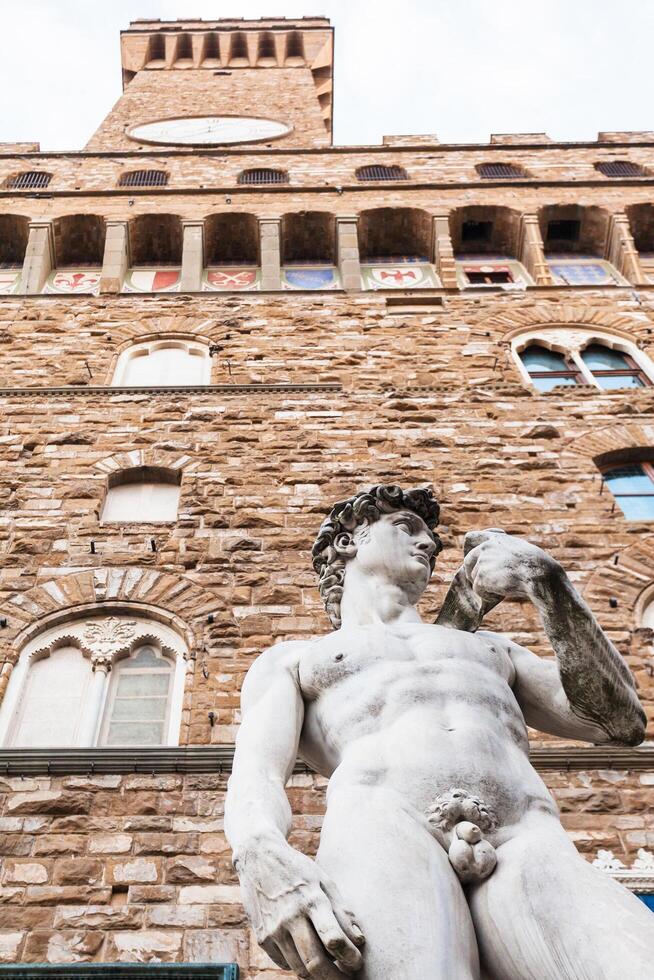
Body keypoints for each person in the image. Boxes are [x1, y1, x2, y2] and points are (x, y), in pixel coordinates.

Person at [225, 484, 653, 979]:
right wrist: (260, 854)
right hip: (384, 827)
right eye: (406, 528)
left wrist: (547, 582)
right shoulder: (298, 658)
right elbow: (256, 773)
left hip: (526, 834)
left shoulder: (491, 648)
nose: (428, 544)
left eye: (432, 538)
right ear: (348, 543)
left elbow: (620, 723)